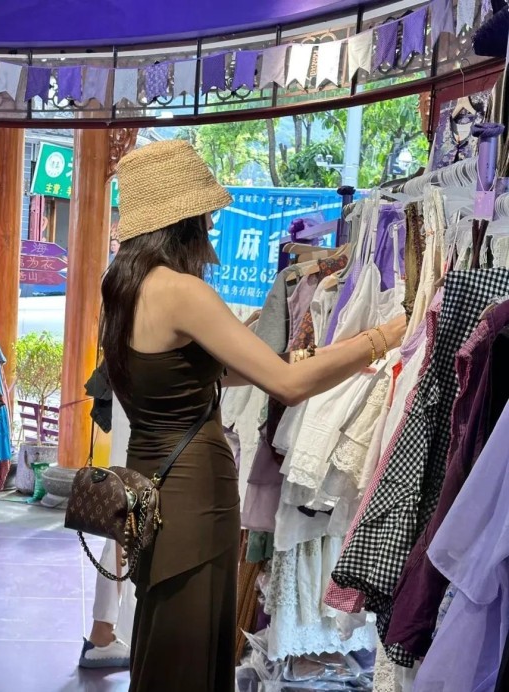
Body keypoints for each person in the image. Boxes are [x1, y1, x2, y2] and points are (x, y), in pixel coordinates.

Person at [100, 139, 406, 692]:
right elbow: (288, 384)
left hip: (148, 482)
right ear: (185, 220)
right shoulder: (182, 291)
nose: (211, 226)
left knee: (166, 640)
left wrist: (313, 357)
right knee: (190, 651)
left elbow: (207, 372)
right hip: (192, 494)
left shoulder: (124, 286)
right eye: (206, 215)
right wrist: (381, 337)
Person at [79, 396, 136, 669]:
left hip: (136, 412)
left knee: (123, 530)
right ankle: (109, 635)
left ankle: (103, 635)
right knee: (130, 530)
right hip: (151, 425)